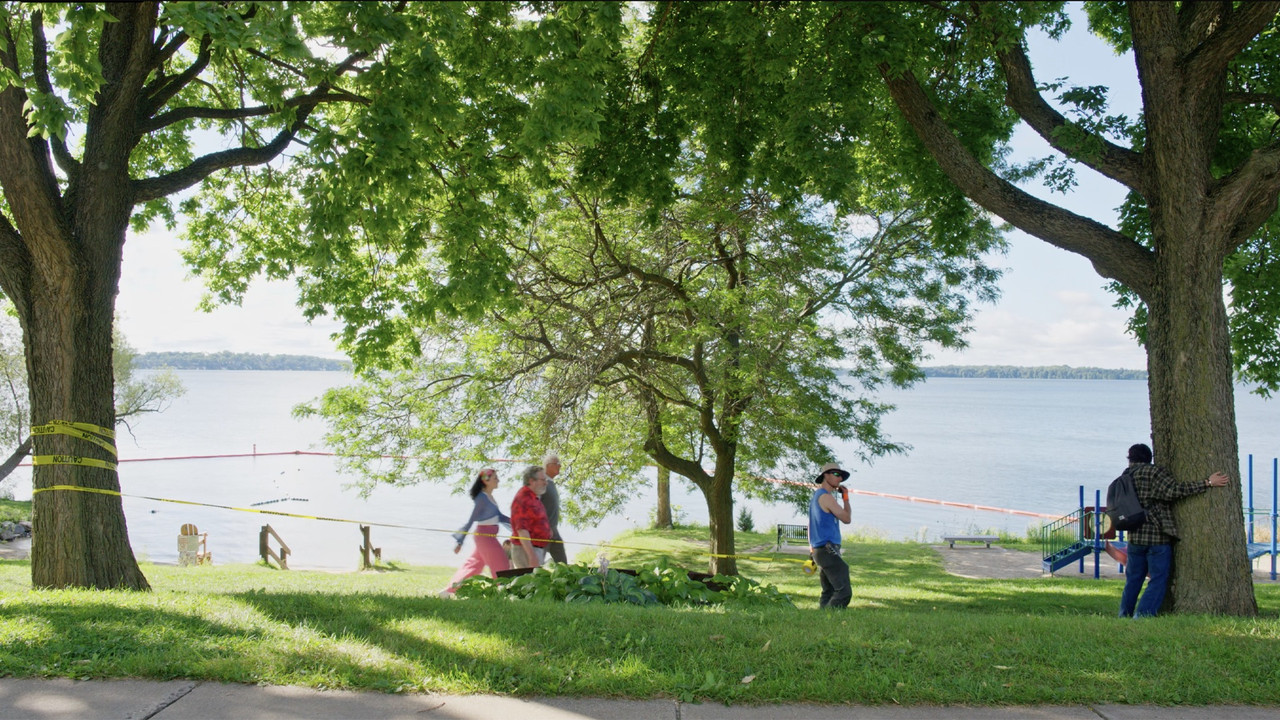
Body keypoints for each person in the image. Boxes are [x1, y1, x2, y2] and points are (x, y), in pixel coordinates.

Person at [1118, 442, 1230, 618]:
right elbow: (1174, 491)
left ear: (1130, 458)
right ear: (1149, 457)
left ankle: (1124, 614)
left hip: (1134, 536)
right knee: (1158, 579)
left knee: (1133, 579)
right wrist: (1207, 483)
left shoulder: (1125, 476)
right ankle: (1143, 616)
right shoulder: (1154, 472)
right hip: (1157, 536)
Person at [441, 468, 511, 597]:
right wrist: (460, 541)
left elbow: (499, 517)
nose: (498, 480)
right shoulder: (482, 499)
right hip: (485, 537)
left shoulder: (489, 497)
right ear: (486, 481)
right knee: (501, 563)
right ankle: (503, 593)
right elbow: (471, 520)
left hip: (486, 537)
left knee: (473, 566)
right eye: (495, 478)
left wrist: (517, 525)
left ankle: (448, 592)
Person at [809, 461, 853, 609]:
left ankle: (822, 619)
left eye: (840, 476)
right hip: (827, 549)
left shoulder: (816, 496)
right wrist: (845, 498)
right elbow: (846, 518)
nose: (839, 478)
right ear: (825, 476)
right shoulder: (826, 497)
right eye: (835, 474)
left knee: (828, 591)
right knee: (843, 591)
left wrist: (812, 549)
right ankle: (830, 615)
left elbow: (812, 524)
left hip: (820, 549)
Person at [510, 465, 552, 569]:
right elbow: (522, 530)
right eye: (542, 480)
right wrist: (532, 556)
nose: (546, 483)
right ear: (532, 481)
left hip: (536, 548)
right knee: (530, 583)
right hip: (526, 550)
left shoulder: (533, 496)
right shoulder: (523, 499)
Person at [541, 454, 567, 564]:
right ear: (549, 465)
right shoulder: (541, 482)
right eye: (557, 464)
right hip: (543, 529)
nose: (560, 466)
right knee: (536, 560)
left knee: (561, 560)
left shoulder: (550, 482)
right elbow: (535, 505)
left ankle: (566, 577)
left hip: (553, 528)